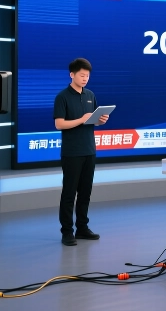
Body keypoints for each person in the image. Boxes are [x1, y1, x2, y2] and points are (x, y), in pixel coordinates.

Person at [54, 58, 110, 246]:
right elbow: (59, 124)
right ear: (72, 74)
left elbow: (91, 120)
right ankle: (67, 232)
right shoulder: (62, 96)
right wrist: (81, 119)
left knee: (85, 192)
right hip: (71, 152)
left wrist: (100, 120)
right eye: (82, 75)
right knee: (69, 193)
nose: (85, 78)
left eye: (87, 76)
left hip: (89, 150)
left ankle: (82, 228)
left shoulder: (90, 95)